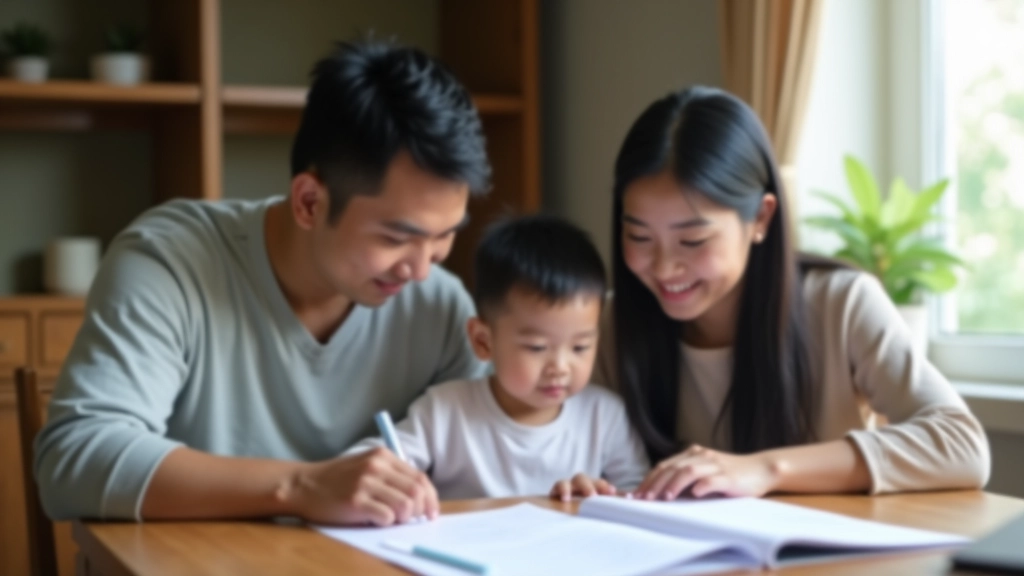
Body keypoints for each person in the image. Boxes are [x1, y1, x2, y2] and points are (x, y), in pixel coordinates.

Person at [35, 40, 492, 527]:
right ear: (310, 202)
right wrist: (301, 486)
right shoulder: (170, 263)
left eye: (445, 235)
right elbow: (73, 460)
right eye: (397, 237)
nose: (421, 270)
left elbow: (494, 455)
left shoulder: (440, 309)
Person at [595, 85, 990, 500]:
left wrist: (767, 469)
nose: (662, 267)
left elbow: (963, 446)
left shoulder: (841, 304)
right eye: (638, 236)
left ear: (761, 218)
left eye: (692, 241)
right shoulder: (607, 324)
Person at [346, 215, 649, 501]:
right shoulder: (445, 411)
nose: (560, 367)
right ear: (483, 340)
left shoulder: (606, 417)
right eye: (537, 348)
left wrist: (604, 496)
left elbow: (641, 496)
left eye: (580, 347)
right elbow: (371, 466)